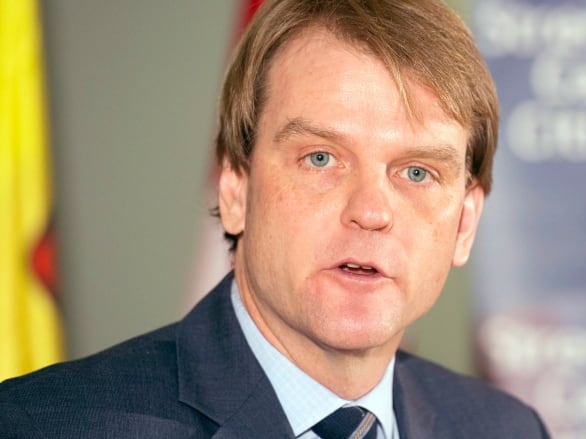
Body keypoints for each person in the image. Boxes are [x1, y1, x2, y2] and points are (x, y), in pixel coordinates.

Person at [0, 0, 550, 437]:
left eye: (416, 173)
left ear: (465, 224)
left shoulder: (506, 428)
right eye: (321, 158)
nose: (371, 211)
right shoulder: (42, 426)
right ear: (234, 187)